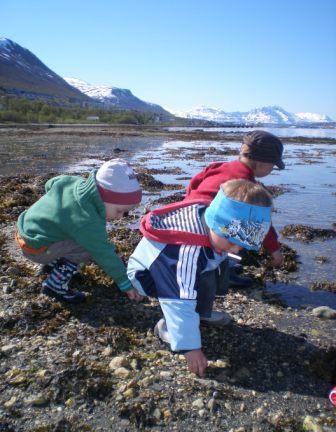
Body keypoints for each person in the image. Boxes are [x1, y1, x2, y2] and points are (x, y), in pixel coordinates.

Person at [127, 179, 273, 377]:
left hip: (184, 265)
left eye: (243, 244)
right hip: (147, 275)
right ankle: (168, 327)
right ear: (216, 222)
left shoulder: (211, 221)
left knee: (215, 266)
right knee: (188, 288)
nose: (237, 248)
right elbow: (178, 298)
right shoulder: (187, 250)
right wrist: (191, 348)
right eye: (232, 241)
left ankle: (202, 313)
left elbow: (221, 248)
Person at [15, 159, 144, 304]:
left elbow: (50, 184)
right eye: (119, 211)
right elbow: (103, 253)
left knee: (71, 233)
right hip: (36, 248)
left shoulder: (74, 182)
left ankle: (52, 264)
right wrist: (125, 283)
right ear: (103, 196)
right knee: (87, 248)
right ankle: (55, 284)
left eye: (125, 213)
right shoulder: (87, 219)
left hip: (25, 231)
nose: (120, 217)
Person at [184, 130, 285, 290]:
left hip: (189, 216)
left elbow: (194, 183)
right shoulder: (246, 189)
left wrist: (187, 203)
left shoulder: (217, 166)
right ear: (263, 164)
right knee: (237, 233)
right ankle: (224, 274)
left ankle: (224, 263)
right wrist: (275, 251)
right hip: (211, 229)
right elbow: (261, 224)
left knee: (226, 231)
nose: (272, 169)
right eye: (273, 165)